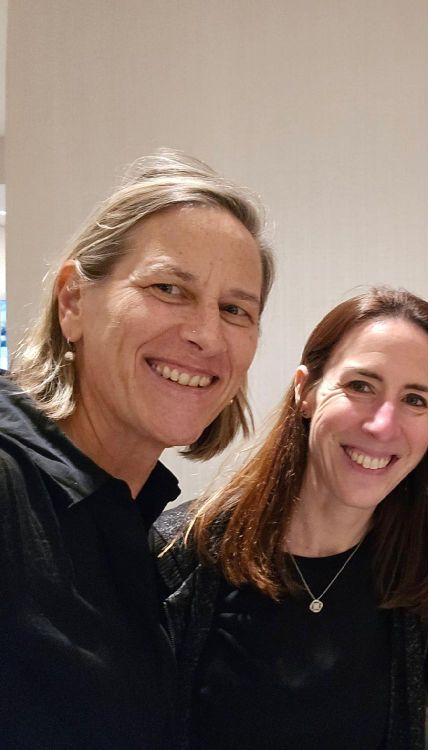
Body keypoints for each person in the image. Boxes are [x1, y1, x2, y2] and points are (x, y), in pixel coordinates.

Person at [0, 150, 274, 748]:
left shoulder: (145, 528)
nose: (206, 334)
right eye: (169, 288)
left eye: (235, 309)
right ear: (73, 301)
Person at [151, 287, 428, 749]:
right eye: (361, 386)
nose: (383, 424)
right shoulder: (181, 557)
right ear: (305, 391)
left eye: (415, 399)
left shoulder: (419, 573)